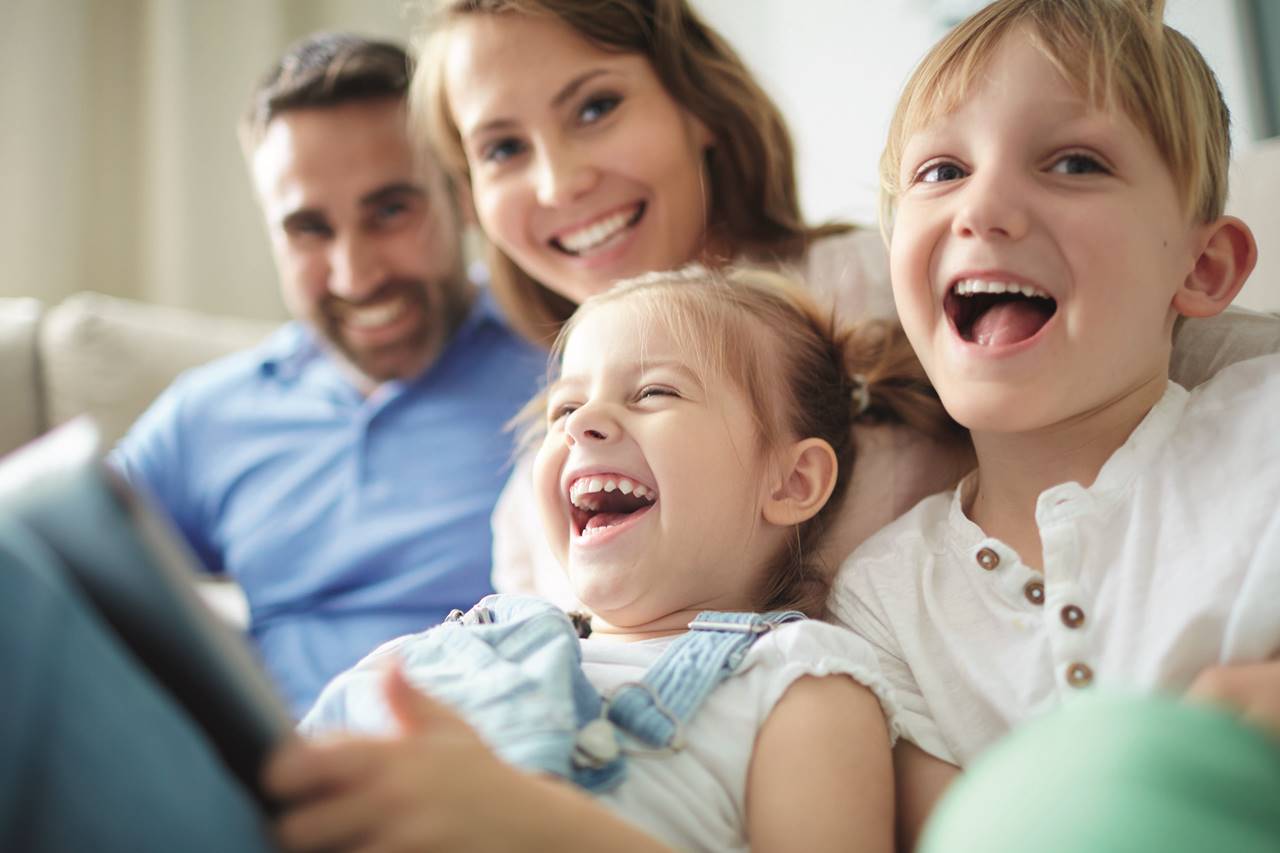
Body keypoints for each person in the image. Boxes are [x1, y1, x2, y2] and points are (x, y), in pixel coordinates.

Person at [264, 266, 956, 852]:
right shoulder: (462, 645)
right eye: (565, 405)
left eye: (655, 391)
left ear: (791, 482)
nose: (582, 423)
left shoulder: (800, 682)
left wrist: (534, 821)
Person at [829, 1, 1280, 849]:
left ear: (1203, 266)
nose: (984, 208)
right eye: (940, 171)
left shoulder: (1264, 436)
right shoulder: (881, 600)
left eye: (1074, 163)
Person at [413, 0, 976, 609]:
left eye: (596, 108)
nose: (559, 182)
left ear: (698, 102)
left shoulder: (900, 280)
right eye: (502, 149)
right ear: (471, 197)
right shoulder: (542, 499)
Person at [110, 33, 546, 716]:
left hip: (509, 763)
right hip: (276, 787)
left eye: (391, 210)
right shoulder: (211, 415)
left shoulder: (571, 366)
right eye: (309, 228)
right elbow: (54, 569)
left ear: (460, 193)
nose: (357, 274)